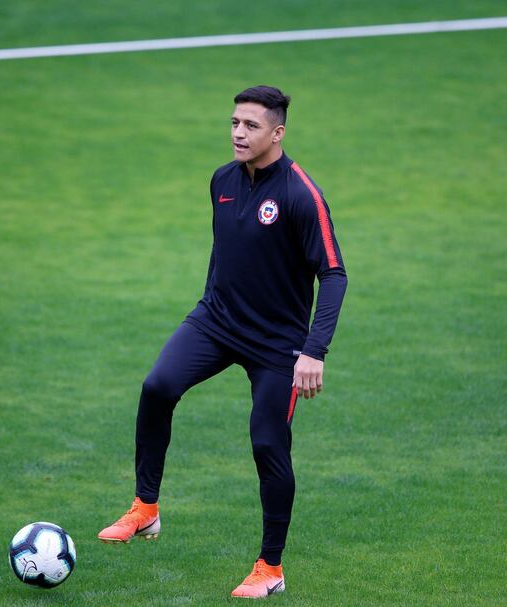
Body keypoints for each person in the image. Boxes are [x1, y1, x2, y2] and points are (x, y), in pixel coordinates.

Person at [98, 85, 348, 599]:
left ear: (277, 133)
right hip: (216, 320)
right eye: (234, 122)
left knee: (267, 444)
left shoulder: (302, 195)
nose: (238, 132)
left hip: (278, 344)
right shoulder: (222, 181)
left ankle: (270, 567)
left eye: (251, 126)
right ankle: (146, 509)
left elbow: (335, 274)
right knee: (157, 386)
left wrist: (313, 351)